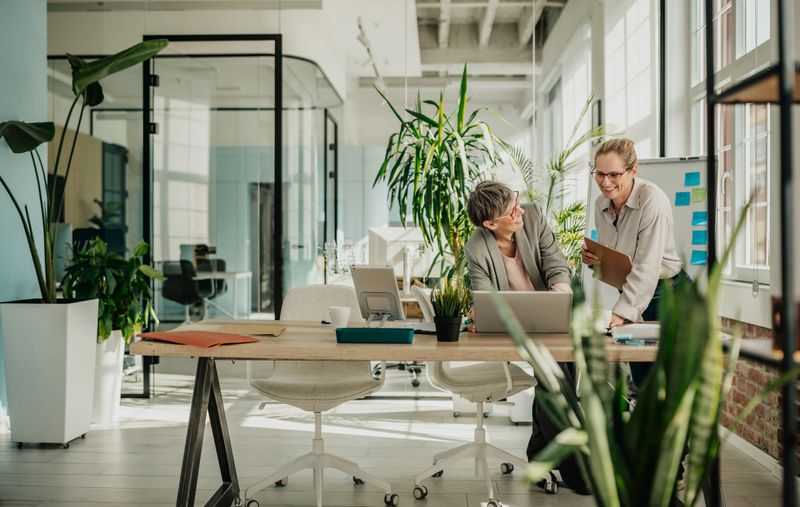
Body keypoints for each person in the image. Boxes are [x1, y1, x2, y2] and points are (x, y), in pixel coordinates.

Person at [463, 181, 590, 495]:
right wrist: (479, 313)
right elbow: (482, 294)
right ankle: (577, 471)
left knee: (558, 376)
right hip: (513, 330)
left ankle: (540, 457)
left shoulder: (533, 217)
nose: (520, 210)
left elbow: (557, 264)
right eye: (511, 211)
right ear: (491, 224)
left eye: (516, 202)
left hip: (551, 318)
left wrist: (558, 296)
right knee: (556, 379)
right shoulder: (477, 247)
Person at [581, 138, 688, 386]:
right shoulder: (601, 205)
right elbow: (620, 256)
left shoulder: (652, 200)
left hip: (668, 295)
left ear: (633, 170)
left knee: (666, 383)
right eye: (599, 174)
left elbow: (647, 266)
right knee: (642, 381)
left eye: (614, 174)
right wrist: (594, 260)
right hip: (634, 292)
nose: (605, 182)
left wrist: (622, 312)